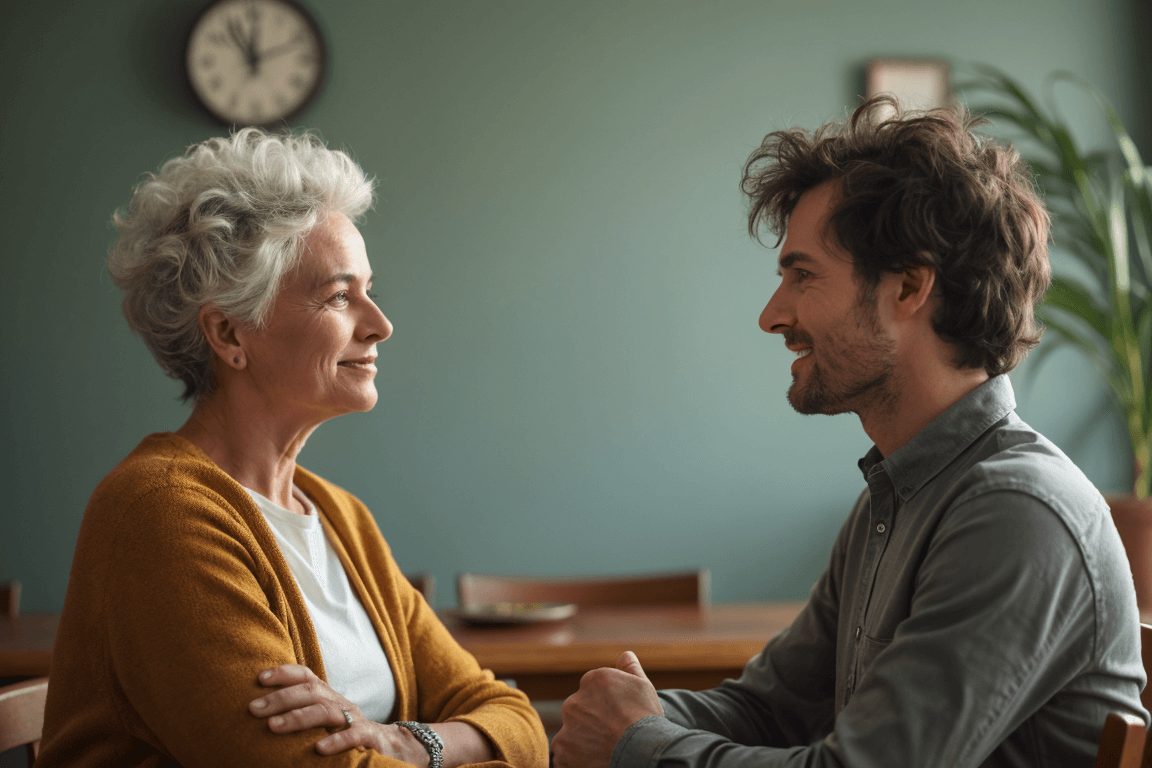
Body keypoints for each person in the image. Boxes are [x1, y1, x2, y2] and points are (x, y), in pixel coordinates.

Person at [551, 96, 1147, 767]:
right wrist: (625, 713)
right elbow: (770, 709)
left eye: (802, 275)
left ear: (909, 287)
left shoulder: (1016, 513)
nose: (772, 316)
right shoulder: (894, 499)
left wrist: (638, 743)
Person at [38, 129, 548, 767]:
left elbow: (515, 716)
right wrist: (460, 745)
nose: (380, 324)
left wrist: (412, 744)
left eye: (369, 290)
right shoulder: (159, 513)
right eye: (339, 295)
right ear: (228, 331)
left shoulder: (340, 518)